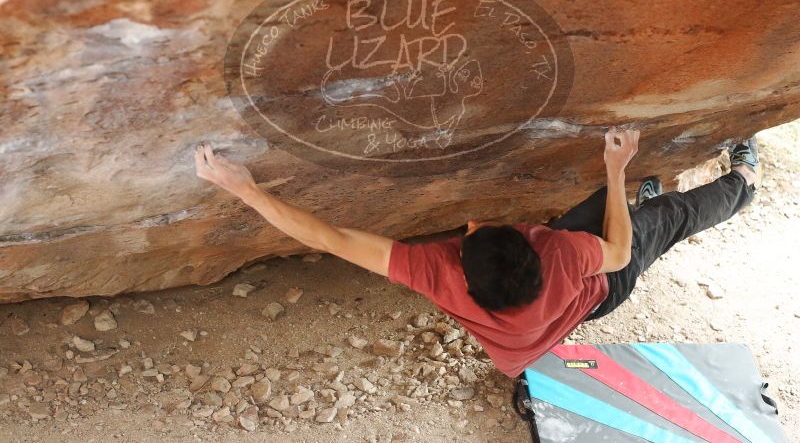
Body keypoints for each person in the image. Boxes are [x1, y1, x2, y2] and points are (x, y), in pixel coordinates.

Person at [193, 128, 758, 379]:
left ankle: (637, 203)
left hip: (537, 330)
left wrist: (245, 189)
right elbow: (613, 253)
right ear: (532, 243)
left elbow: (329, 239)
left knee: (614, 212)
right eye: (479, 229)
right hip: (606, 283)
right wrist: (616, 168)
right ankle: (744, 183)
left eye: (470, 234)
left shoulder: (439, 275)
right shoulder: (560, 253)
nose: (469, 223)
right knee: (664, 222)